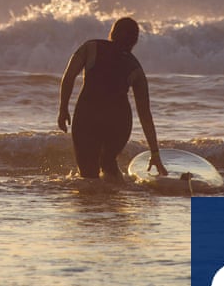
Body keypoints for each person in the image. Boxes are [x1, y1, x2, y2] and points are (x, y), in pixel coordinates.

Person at [58, 17, 167, 180]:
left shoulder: (91, 47)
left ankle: (95, 203)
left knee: (88, 175)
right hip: (118, 123)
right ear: (134, 41)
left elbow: (69, 77)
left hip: (87, 116)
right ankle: (117, 194)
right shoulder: (135, 68)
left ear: (112, 33)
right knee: (108, 162)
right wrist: (155, 153)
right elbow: (144, 114)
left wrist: (63, 108)